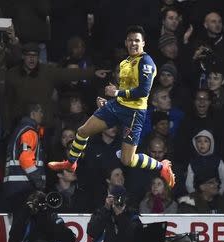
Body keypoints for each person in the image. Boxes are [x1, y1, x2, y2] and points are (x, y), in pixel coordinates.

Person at [47, 25, 175, 188]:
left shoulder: (146, 62)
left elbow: (142, 91)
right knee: (82, 131)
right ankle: (71, 163)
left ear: (143, 43)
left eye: (137, 40)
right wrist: (110, 102)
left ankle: (161, 166)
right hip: (117, 106)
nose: (133, 43)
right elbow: (124, 92)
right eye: (130, 40)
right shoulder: (125, 63)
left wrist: (116, 94)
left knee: (127, 160)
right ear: (126, 43)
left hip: (134, 114)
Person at [2, 103, 45, 213]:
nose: (42, 115)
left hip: (14, 188)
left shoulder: (18, 131)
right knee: (22, 224)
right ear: (33, 113)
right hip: (24, 188)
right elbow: (25, 159)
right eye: (40, 111)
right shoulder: (29, 132)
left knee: (18, 225)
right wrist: (38, 180)